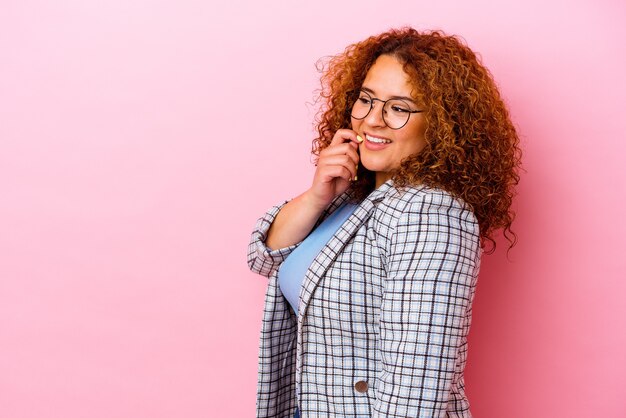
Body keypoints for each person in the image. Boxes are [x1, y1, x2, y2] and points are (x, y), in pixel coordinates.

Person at [247, 27, 521, 418]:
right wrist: (316, 196)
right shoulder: (353, 196)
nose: (372, 120)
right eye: (366, 99)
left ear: (442, 123)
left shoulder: (431, 213)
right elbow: (263, 258)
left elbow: (416, 384)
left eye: (399, 108)